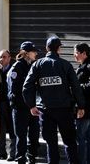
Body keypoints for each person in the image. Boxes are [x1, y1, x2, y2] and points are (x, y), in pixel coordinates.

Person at [23, 36, 85, 164]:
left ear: (46, 48)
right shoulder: (65, 65)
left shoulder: (37, 65)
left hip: (46, 111)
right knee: (69, 142)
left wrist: (31, 106)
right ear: (59, 49)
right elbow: (76, 87)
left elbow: (26, 87)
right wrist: (81, 106)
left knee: (51, 143)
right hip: (64, 110)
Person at [7, 42, 40, 164]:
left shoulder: (32, 66)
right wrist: (22, 104)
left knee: (34, 135)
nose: (36, 53)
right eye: (33, 51)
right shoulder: (17, 67)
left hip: (32, 107)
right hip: (21, 108)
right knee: (21, 136)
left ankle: (32, 157)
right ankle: (21, 158)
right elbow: (14, 91)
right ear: (26, 53)